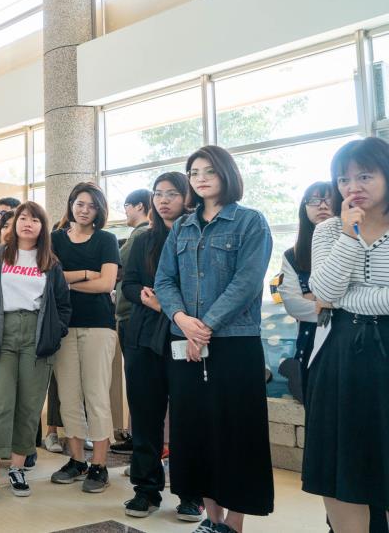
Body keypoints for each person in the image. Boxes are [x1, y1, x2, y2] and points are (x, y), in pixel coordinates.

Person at [155, 145, 274, 533]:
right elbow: (164, 281)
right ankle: (212, 518)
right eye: (194, 172)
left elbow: (246, 281)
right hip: (186, 342)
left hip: (235, 342)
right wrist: (182, 319)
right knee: (194, 431)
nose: (201, 178)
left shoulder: (250, 222)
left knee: (235, 432)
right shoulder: (183, 228)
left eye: (208, 170)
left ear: (226, 174)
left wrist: (202, 325)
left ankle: (234, 524)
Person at [304, 137, 389, 533]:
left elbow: (338, 297)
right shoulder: (328, 232)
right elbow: (324, 293)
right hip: (340, 355)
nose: (352, 186)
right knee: (341, 467)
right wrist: (349, 237)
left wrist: (349, 299)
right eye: (344, 178)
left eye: (365, 175)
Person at [0, 201, 71, 508]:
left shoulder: (50, 262)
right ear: (13, 224)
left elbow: (63, 305)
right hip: (2, 332)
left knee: (28, 407)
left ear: (43, 227)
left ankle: (16, 468)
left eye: (35, 220)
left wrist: (55, 334)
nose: (28, 223)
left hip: (37, 335)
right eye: (22, 218)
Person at [120, 173, 205, 521]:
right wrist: (144, 297)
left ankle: (190, 493)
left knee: (188, 417)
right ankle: (146, 489)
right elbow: (127, 284)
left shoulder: (198, 235)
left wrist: (167, 304)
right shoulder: (144, 239)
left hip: (186, 336)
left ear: (189, 197)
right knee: (145, 416)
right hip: (143, 336)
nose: (164, 199)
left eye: (173, 193)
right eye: (159, 194)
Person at [49, 182, 120, 494]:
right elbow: (49, 276)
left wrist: (67, 281)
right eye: (79, 203)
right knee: (68, 394)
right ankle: (77, 460)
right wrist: (87, 274)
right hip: (63, 325)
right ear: (71, 205)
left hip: (99, 325)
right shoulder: (54, 239)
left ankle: (99, 464)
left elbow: (107, 284)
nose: (83, 209)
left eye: (90, 205)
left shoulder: (106, 239)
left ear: (98, 211)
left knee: (96, 395)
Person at [275, 182, 334, 400]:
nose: (322, 206)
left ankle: (289, 369)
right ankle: (292, 369)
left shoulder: (353, 245)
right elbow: (293, 304)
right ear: (305, 207)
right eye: (314, 200)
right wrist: (335, 302)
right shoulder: (293, 255)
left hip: (350, 338)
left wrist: (315, 297)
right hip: (309, 341)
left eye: (329, 199)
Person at [112, 188, 152, 455]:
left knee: (139, 381)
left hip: (132, 315)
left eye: (127, 205)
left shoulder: (140, 234)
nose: (125, 211)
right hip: (130, 313)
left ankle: (141, 440)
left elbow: (118, 266)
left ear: (139, 206)